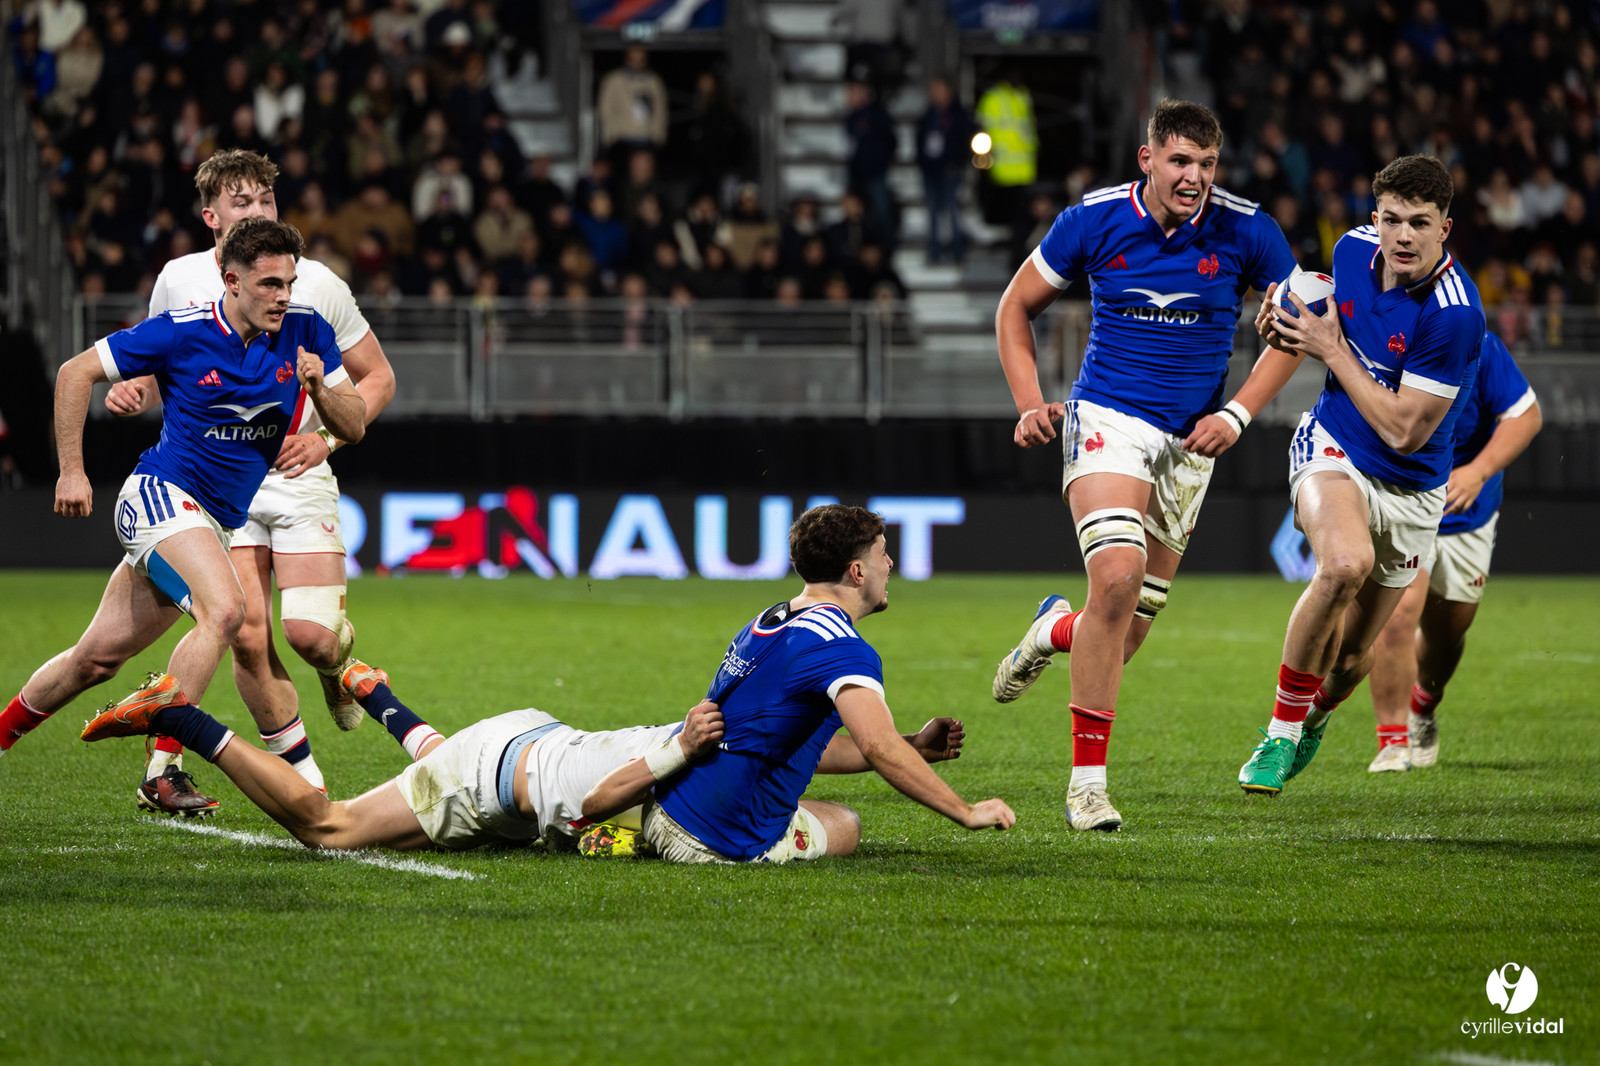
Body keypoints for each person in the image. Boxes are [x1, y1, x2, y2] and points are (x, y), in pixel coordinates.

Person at [989, 99, 1300, 831]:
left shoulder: (1248, 229)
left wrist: (1237, 413)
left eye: (1207, 164)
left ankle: (1052, 632)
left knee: (1121, 632)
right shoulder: (1092, 220)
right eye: (1181, 162)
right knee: (1119, 577)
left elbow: (1298, 325)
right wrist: (1030, 401)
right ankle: (1087, 788)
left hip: (1191, 444)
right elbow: (1014, 307)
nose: (1195, 178)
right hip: (1106, 419)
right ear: (1148, 159)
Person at [0, 220, 365, 817]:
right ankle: (163, 768)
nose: (283, 296)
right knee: (226, 611)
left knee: (93, 660)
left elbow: (353, 426)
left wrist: (320, 389)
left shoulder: (307, 332)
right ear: (232, 280)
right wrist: (72, 470)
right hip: (158, 495)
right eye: (270, 283)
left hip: (209, 522)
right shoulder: (182, 331)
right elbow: (74, 373)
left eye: (290, 283)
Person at [103, 150, 396, 810]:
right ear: (212, 216)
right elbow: (157, 372)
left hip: (294, 474)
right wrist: (132, 394)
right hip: (212, 485)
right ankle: (273, 783)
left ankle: (335, 663)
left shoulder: (313, 282)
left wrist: (324, 438)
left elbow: (379, 377)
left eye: (267, 200)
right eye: (244, 202)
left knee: (310, 637)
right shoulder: (177, 278)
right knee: (240, 631)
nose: (260, 211)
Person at [1236, 155, 1485, 794]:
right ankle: (1281, 732)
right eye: (1393, 219)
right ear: (1375, 219)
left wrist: (1330, 349)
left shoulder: (1454, 315)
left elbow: (1406, 430)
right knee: (1342, 565)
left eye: (1420, 224)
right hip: (1336, 447)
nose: (1403, 236)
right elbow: (1304, 331)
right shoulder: (1349, 252)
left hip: (1412, 486)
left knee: (1349, 659)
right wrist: (1280, 328)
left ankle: (1315, 718)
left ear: (1444, 230)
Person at [589, 504, 1015, 864]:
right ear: (856, 571)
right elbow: (878, 745)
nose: (890, 564)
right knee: (845, 823)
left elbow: (801, 741)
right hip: (717, 841)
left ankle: (630, 829)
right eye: (882, 555)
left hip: (666, 806)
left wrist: (915, 745)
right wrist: (967, 811)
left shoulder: (769, 620)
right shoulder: (841, 647)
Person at [1364, 331, 1541, 772]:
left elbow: (1526, 415)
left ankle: (1423, 705)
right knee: (1399, 616)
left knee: (1447, 636)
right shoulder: (1382, 338)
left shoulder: (1477, 344)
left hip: (1467, 512)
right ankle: (1393, 741)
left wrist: (1478, 472)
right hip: (1404, 499)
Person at [916, 75, 973, 265]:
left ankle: (957, 250)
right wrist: (923, 163)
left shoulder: (958, 114)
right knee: (933, 211)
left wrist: (955, 163)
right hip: (931, 169)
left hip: (950, 169)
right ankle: (934, 250)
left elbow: (964, 140)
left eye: (938, 89)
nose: (935, 94)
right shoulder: (929, 113)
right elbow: (921, 138)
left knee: (952, 210)